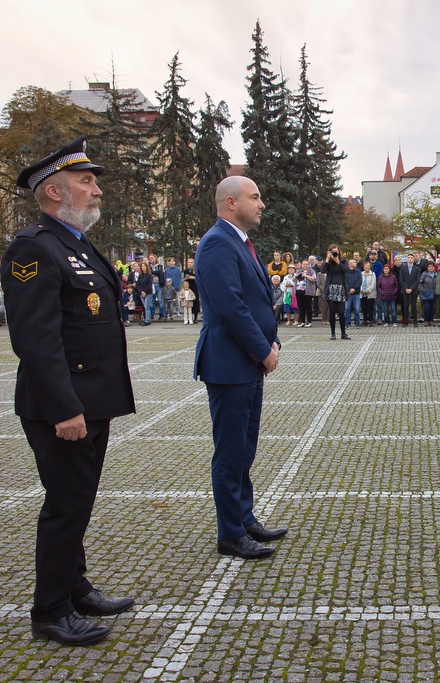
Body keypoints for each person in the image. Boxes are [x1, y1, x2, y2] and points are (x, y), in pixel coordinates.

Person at [1, 136, 136, 646]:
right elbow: (35, 342)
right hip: (64, 407)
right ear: (55, 192)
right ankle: (51, 611)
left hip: (88, 400)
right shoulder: (33, 249)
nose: (96, 189)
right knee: (65, 506)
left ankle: (74, 586)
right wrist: (65, 408)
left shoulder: (75, 244)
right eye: (86, 181)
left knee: (78, 501)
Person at [193, 175, 288, 561]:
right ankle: (230, 533)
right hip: (231, 363)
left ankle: (244, 518)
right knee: (230, 451)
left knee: (244, 448)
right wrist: (262, 350)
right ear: (231, 203)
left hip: (246, 362)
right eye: (255, 196)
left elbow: (257, 301)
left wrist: (272, 341)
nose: (262, 203)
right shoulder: (217, 242)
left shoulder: (241, 242)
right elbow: (231, 307)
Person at [323, 245, 350, 339]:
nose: (335, 253)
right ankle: (333, 333)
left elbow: (346, 270)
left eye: (336, 251)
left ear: (339, 252)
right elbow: (322, 270)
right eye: (332, 251)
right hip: (331, 289)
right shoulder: (329, 262)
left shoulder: (343, 260)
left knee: (341, 312)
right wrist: (327, 259)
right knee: (332, 311)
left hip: (341, 288)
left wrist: (337, 261)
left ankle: (343, 333)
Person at [399, 256, 421, 327]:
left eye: (411, 258)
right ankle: (406, 322)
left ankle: (415, 322)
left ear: (414, 259)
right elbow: (401, 279)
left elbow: (418, 280)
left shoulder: (417, 269)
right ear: (407, 259)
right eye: (409, 258)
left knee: (413, 306)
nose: (410, 259)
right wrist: (406, 288)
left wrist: (411, 288)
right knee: (405, 306)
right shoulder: (403, 268)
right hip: (405, 289)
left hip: (414, 290)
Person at [344, 258, 362, 328]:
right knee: (347, 309)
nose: (356, 263)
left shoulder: (358, 271)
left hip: (356, 293)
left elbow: (359, 281)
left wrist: (354, 288)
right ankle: (347, 323)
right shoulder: (346, 272)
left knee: (356, 309)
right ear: (350, 264)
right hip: (348, 293)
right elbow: (344, 281)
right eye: (354, 262)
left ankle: (357, 324)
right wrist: (349, 289)